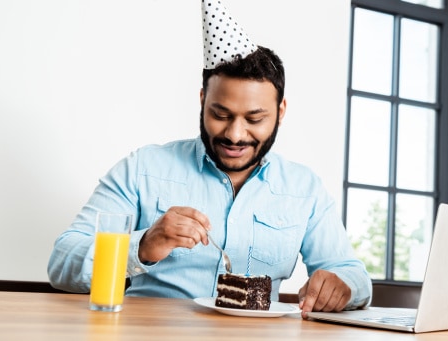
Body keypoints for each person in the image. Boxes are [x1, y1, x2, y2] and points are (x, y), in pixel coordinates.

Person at [47, 0, 372, 318]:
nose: (235, 134)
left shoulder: (305, 189)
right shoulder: (143, 169)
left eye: (255, 118)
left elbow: (351, 274)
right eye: (220, 114)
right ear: (203, 101)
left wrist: (342, 286)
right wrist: (143, 245)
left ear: (280, 112)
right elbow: (62, 263)